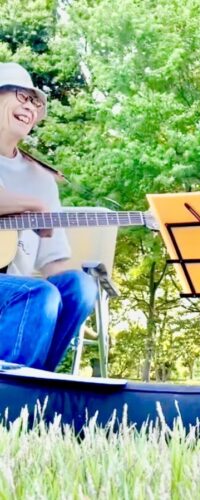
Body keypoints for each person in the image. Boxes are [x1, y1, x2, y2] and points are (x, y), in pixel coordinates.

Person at [0, 62, 97, 370]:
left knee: (80, 286)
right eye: (21, 95)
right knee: (37, 294)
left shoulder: (42, 179)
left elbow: (53, 262)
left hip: (14, 289)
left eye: (35, 102)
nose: (30, 106)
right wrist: (31, 205)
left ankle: (30, 384)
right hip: (21, 293)